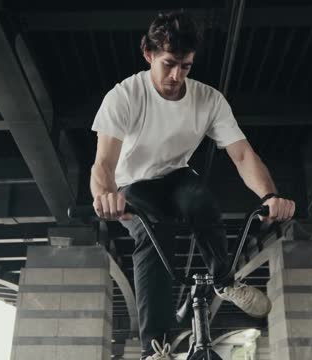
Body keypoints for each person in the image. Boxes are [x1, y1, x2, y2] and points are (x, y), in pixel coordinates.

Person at [89, 11, 295, 360]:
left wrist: (270, 196)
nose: (176, 75)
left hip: (176, 174)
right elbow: (104, 161)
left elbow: (242, 154)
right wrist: (104, 195)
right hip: (133, 185)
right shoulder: (124, 96)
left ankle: (225, 280)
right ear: (149, 54)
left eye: (185, 66)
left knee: (201, 201)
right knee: (154, 234)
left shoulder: (208, 99)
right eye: (169, 64)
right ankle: (158, 347)